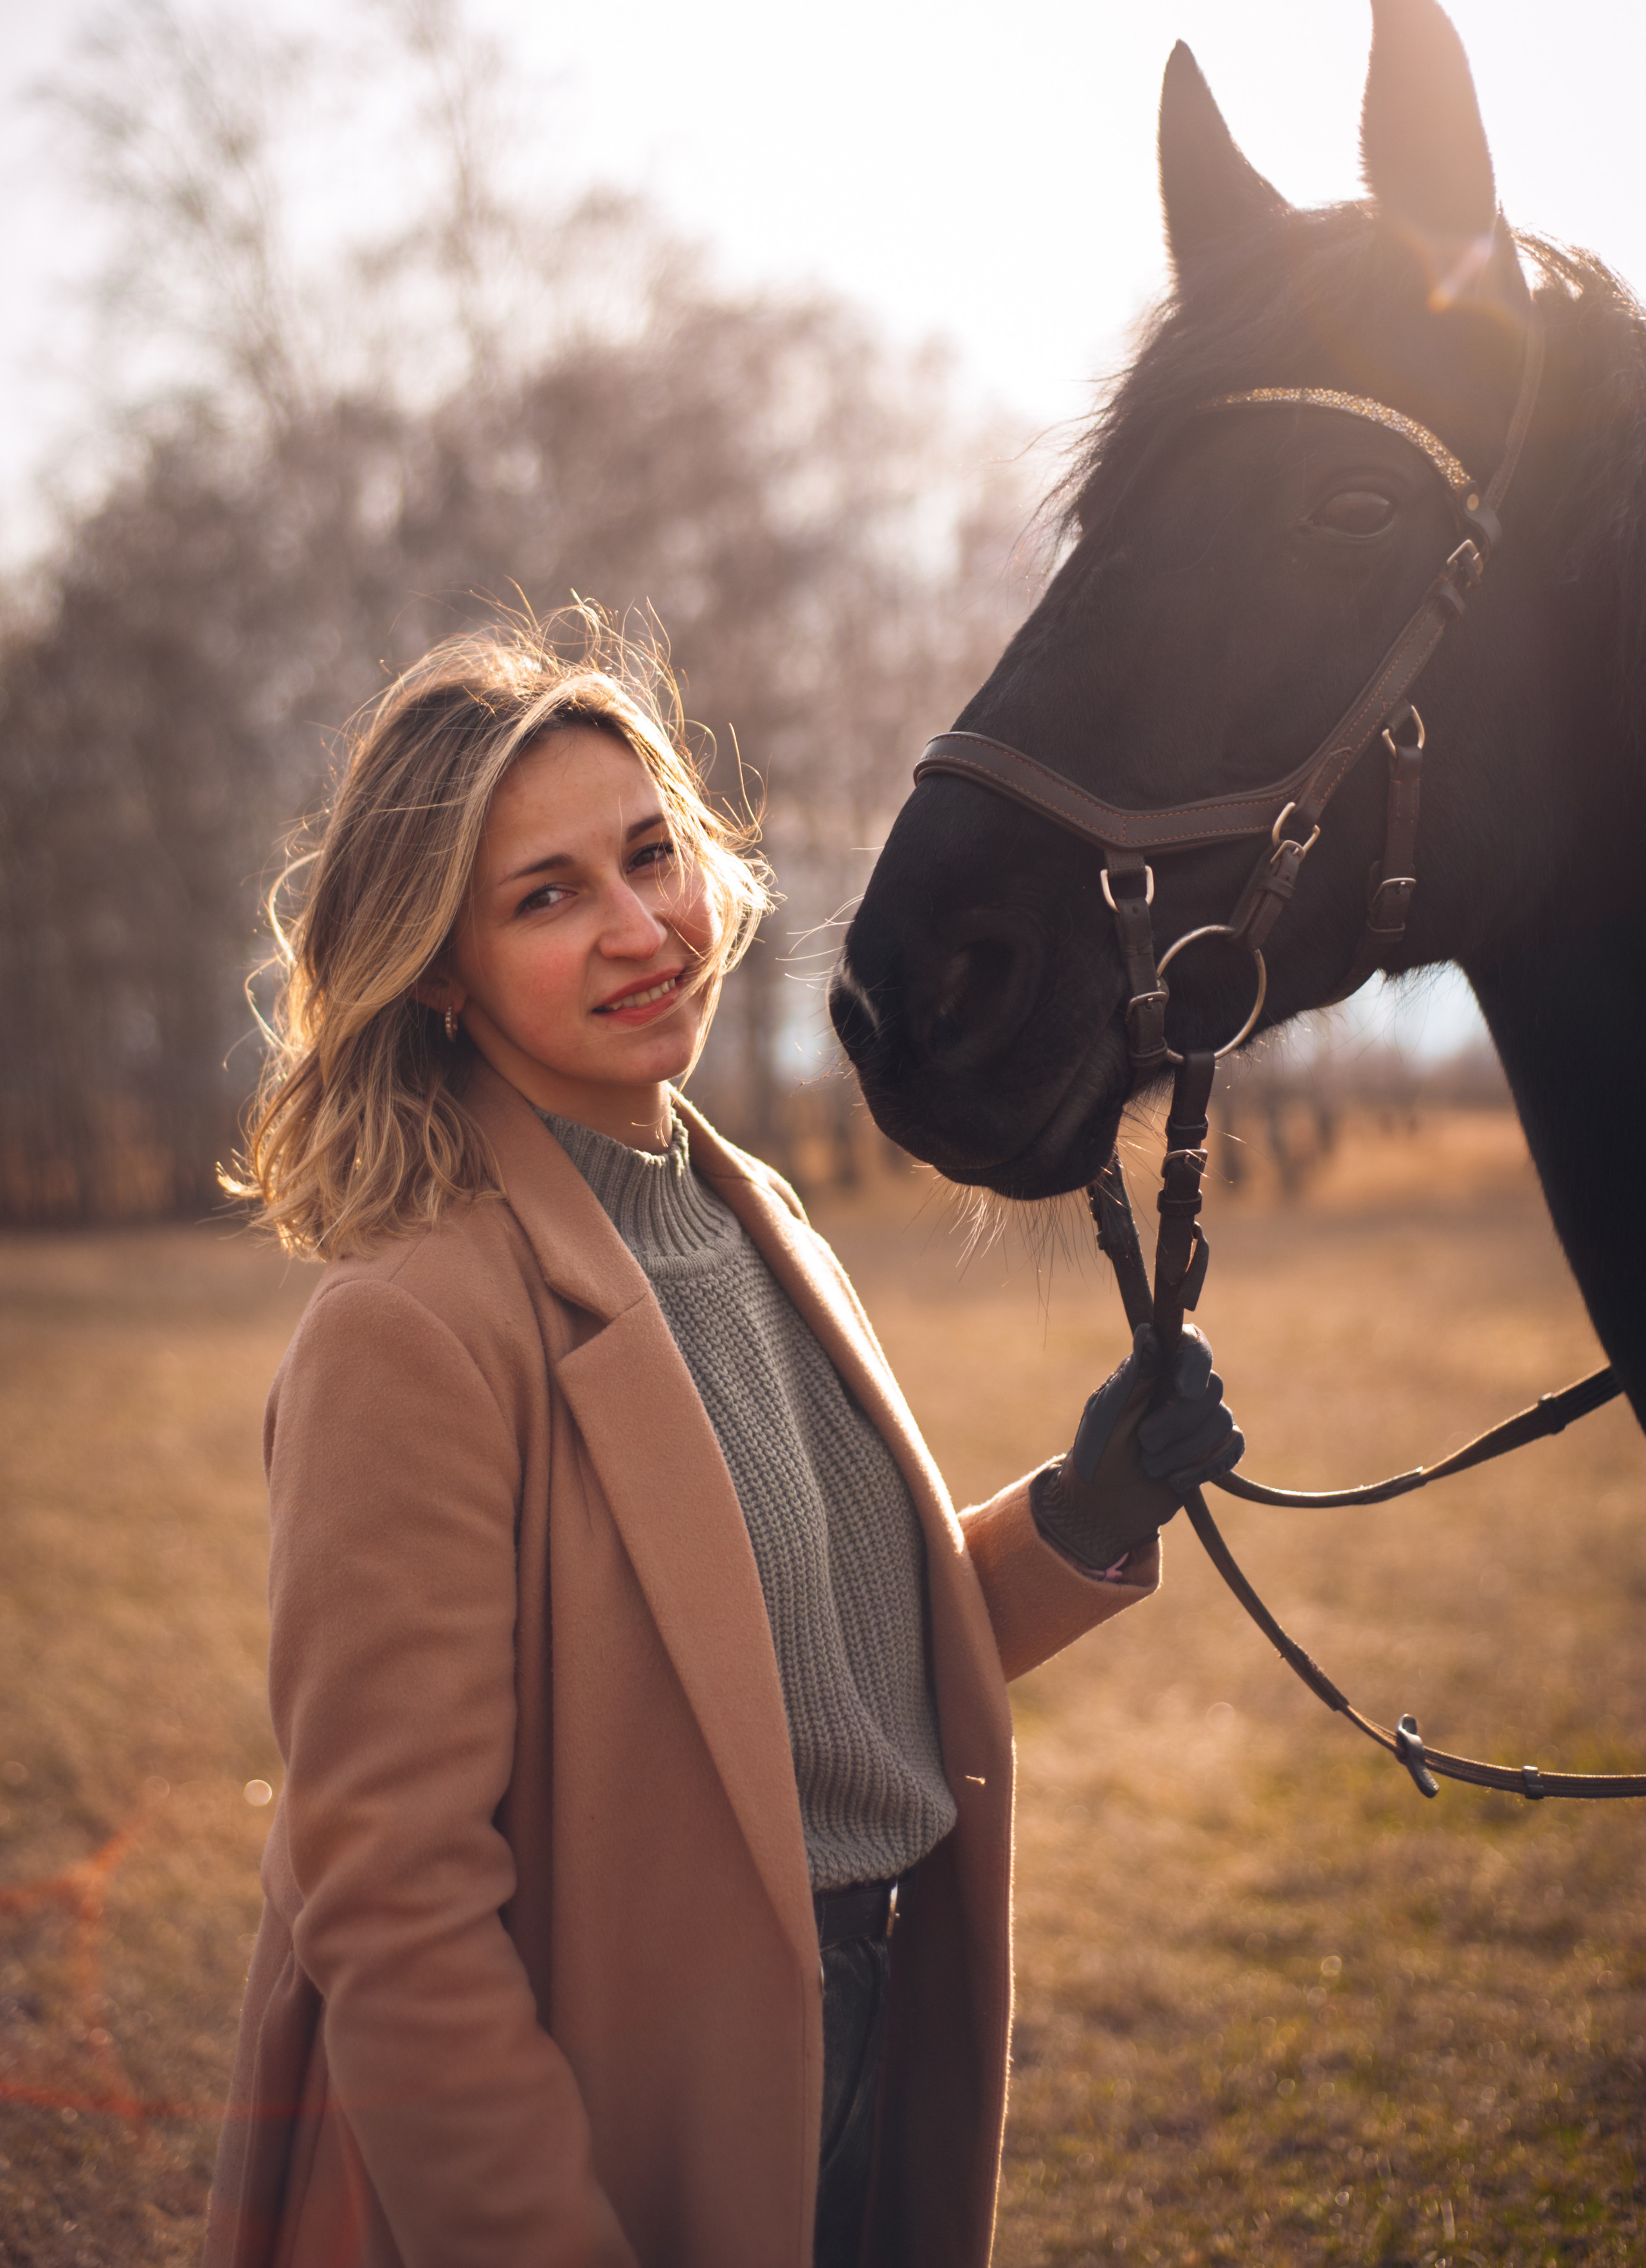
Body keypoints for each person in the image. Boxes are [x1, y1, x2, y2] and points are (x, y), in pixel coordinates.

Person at [204, 619, 1240, 2268]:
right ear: (438, 968)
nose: (639, 929)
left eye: (647, 853)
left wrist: (1078, 1510)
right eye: (546, 896)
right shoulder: (408, 1325)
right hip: (618, 2088)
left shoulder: (744, 1209)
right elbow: (392, 1910)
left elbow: (820, 1673)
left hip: (871, 2025)